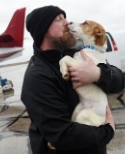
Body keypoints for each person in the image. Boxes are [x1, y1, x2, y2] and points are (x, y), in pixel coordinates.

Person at [21, 5, 124, 154]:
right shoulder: (37, 77)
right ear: (42, 30)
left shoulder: (76, 54)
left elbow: (119, 80)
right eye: (59, 19)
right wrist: (107, 132)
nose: (67, 22)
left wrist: (98, 74)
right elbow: (62, 134)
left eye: (65, 17)